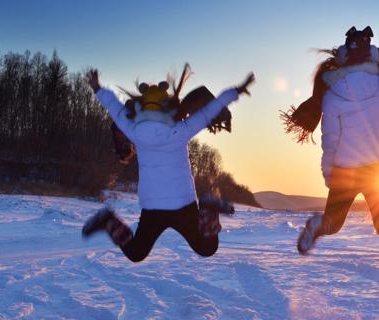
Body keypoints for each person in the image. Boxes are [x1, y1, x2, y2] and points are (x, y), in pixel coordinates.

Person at [281, 0, 379, 255]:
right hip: (378, 166)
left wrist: (328, 173)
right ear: (371, 55)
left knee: (333, 224)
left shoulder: (333, 95)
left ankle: (317, 225)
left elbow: (330, 140)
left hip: (345, 168)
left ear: (343, 58)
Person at [81, 68, 254, 263]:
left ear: (143, 107)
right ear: (166, 107)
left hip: (153, 207)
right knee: (207, 247)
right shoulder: (180, 130)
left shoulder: (134, 130)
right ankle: (208, 209)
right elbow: (209, 111)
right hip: (183, 204)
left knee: (136, 253)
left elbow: (114, 108)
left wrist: (97, 87)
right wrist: (236, 91)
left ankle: (108, 221)